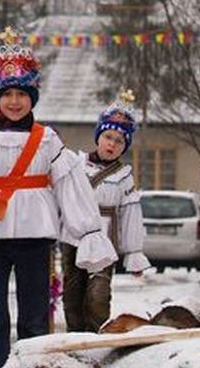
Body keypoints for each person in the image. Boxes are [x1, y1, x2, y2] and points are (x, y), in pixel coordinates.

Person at [0, 28, 117, 368]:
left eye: (21, 94)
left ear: (32, 98)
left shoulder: (47, 140)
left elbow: (72, 189)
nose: (14, 101)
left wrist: (88, 232)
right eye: (7, 94)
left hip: (34, 239)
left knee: (35, 315)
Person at [61, 92, 151, 333]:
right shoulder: (75, 165)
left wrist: (134, 253)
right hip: (73, 239)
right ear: (98, 137)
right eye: (108, 137)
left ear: (125, 146)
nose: (112, 144)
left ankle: (98, 338)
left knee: (98, 295)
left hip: (103, 241)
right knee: (72, 294)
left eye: (119, 141)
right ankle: (75, 338)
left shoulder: (124, 177)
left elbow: (131, 215)